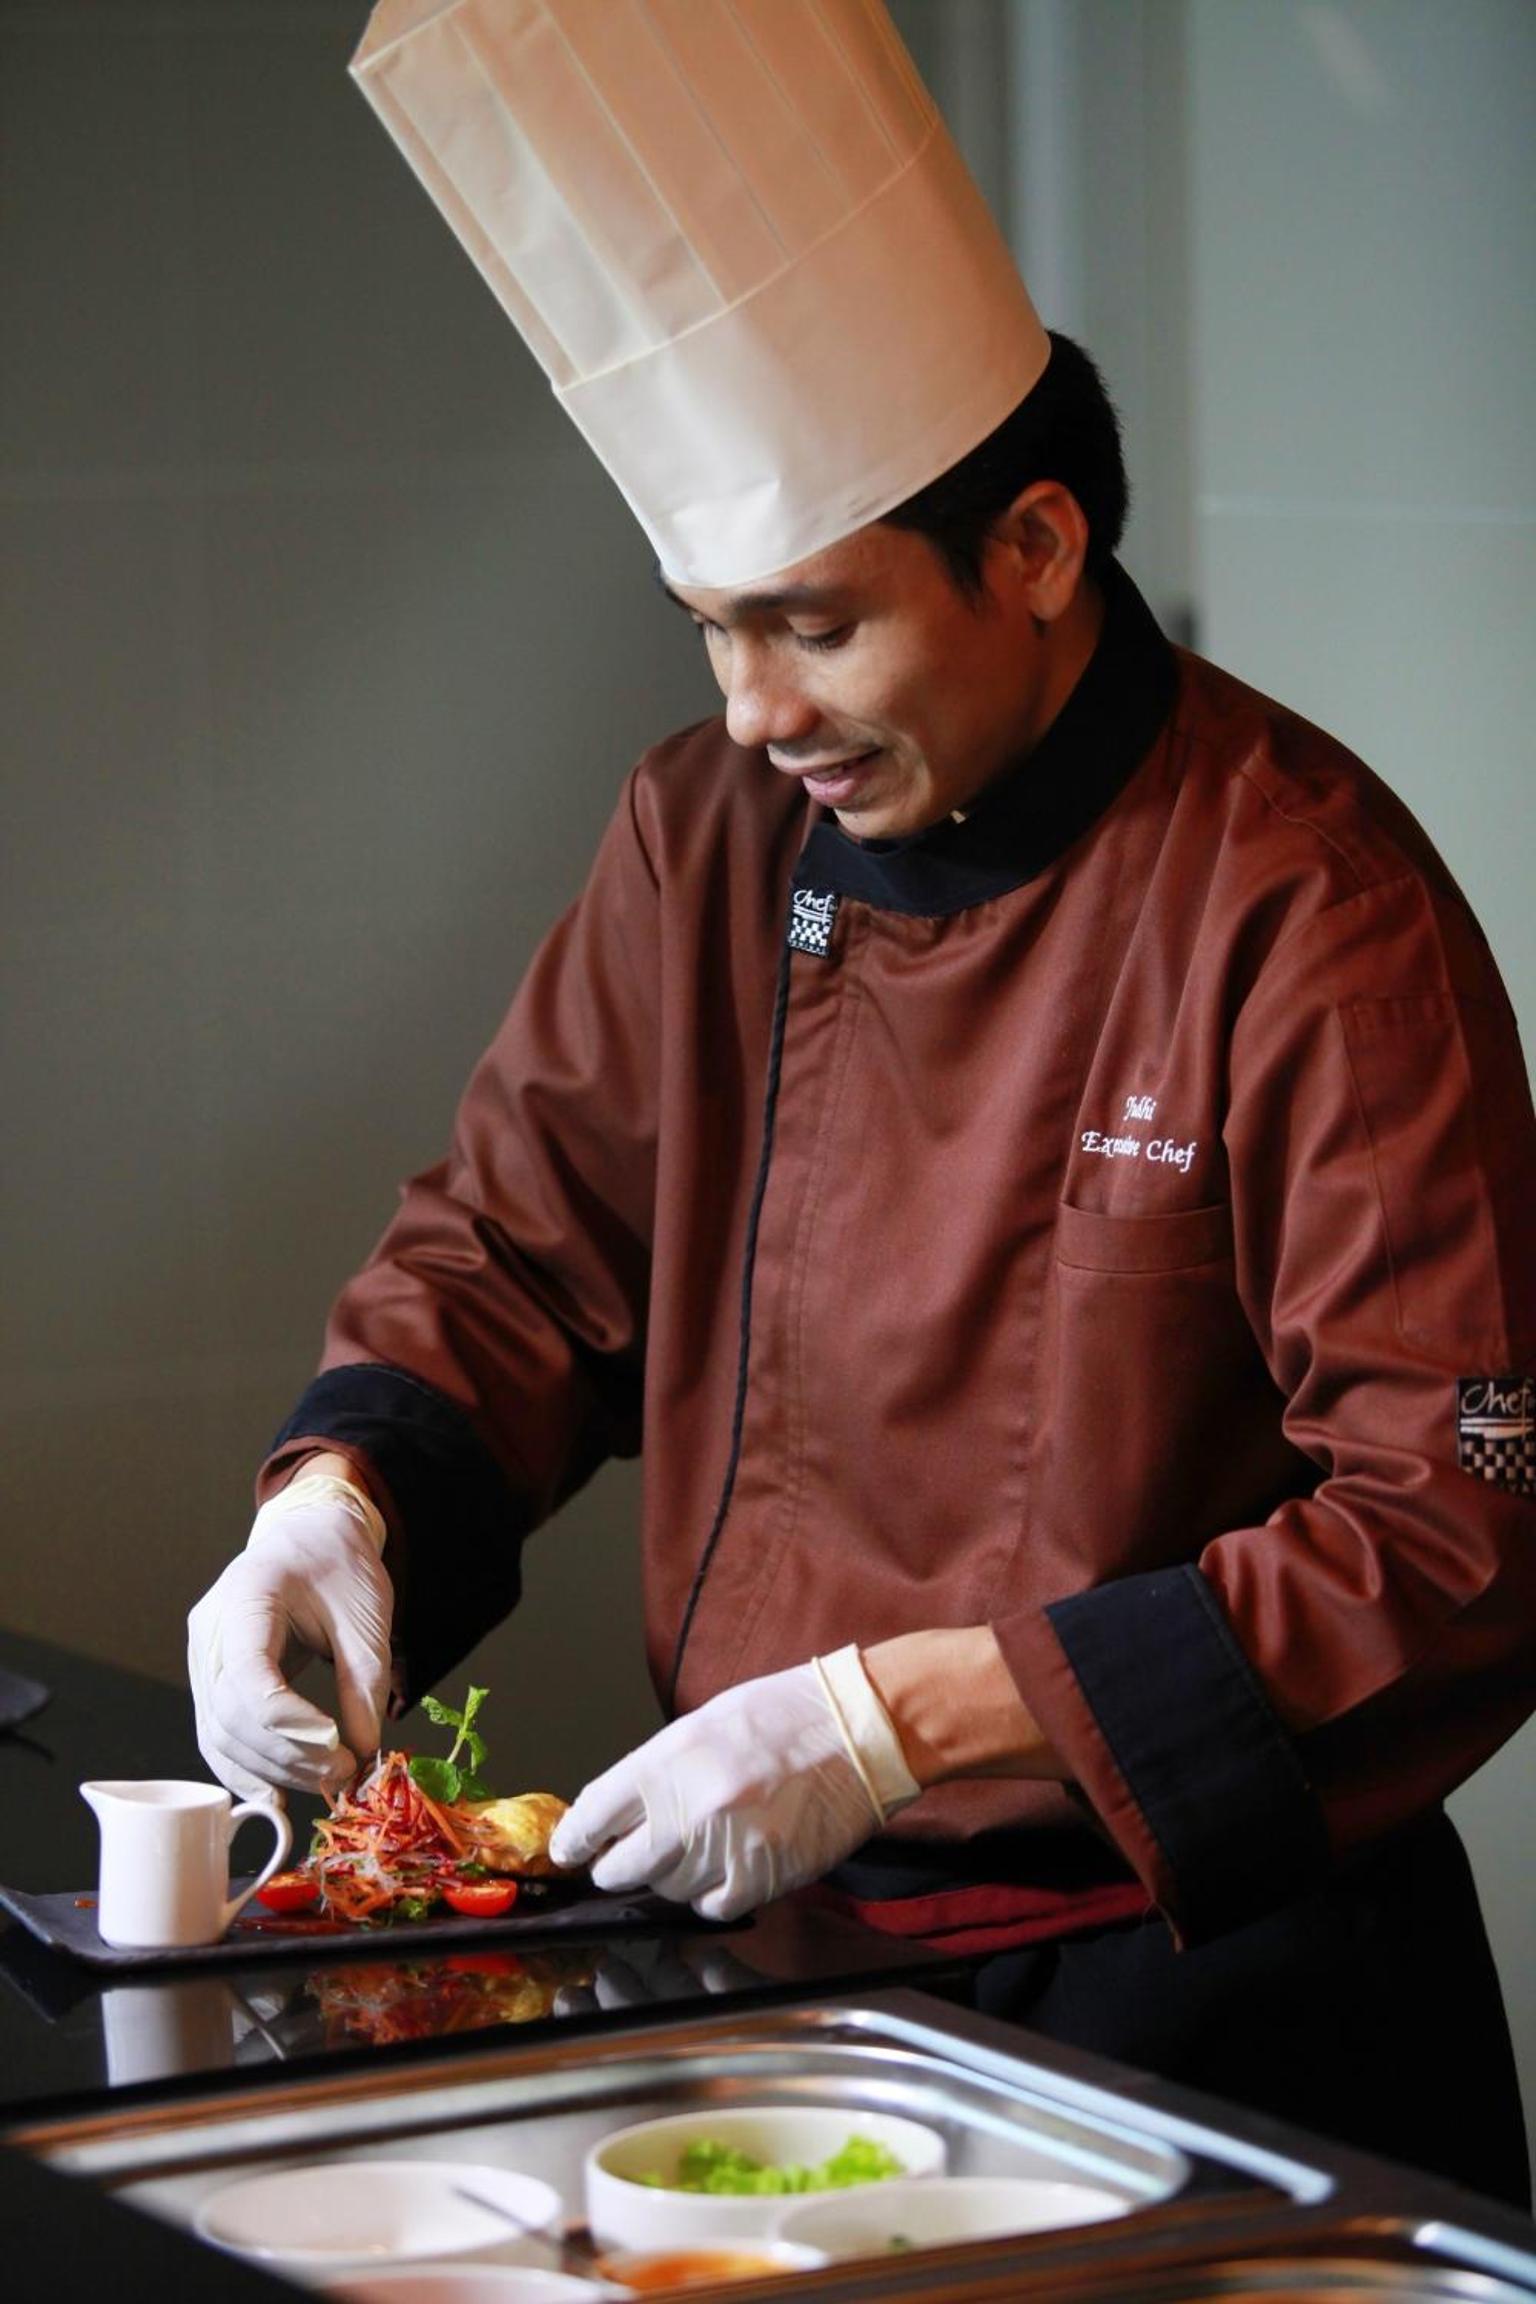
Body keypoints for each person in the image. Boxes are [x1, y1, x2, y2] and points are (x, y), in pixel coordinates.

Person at [187, 0, 1535, 2202]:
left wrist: (887, 1720)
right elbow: (516, 1259)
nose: (751, 712)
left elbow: (1454, 1532)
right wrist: (333, 1512)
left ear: (1036, 551)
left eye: (812, 628)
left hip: (1213, 2001)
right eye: (712, 629)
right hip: (783, 1965)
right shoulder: (704, 841)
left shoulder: (1306, 901)